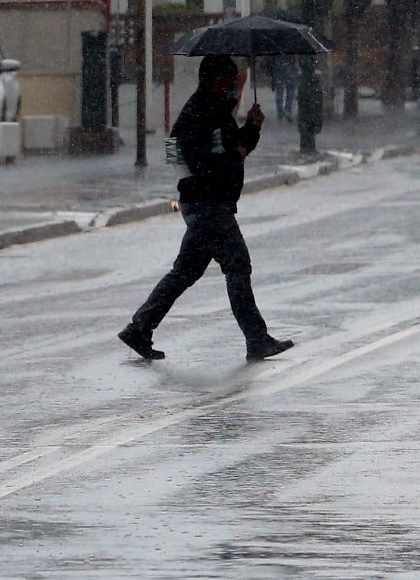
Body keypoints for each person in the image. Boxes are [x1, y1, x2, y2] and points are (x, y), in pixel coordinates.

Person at [118, 54, 294, 362]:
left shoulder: (216, 109)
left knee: (185, 271)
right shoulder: (198, 111)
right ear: (214, 79)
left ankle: (139, 328)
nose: (233, 85)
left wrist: (252, 127)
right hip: (207, 204)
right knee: (237, 265)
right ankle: (257, 339)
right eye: (229, 79)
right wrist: (227, 161)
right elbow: (188, 155)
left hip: (209, 203)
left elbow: (237, 146)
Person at [270, 56, 299, 122]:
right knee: (290, 91)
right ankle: (287, 110)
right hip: (290, 68)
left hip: (279, 68)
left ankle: (280, 112)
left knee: (279, 93)